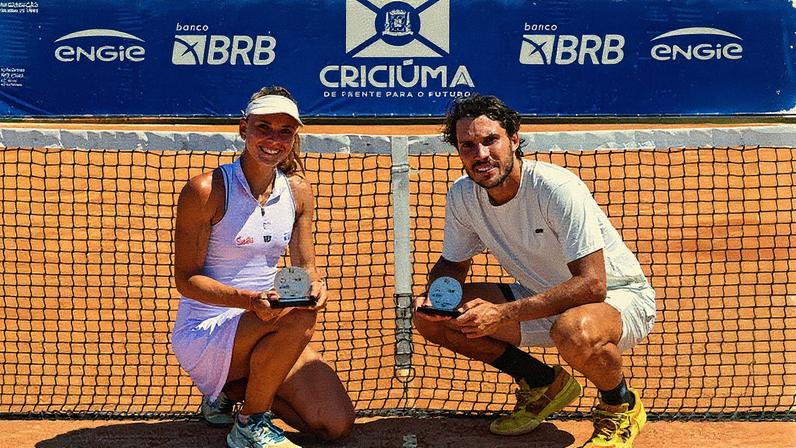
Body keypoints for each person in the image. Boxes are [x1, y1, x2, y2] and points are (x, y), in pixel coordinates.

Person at [414, 94, 656, 448]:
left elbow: (593, 285)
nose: (480, 154)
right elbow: (452, 263)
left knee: (573, 331)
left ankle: (620, 405)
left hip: (618, 298)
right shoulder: (464, 195)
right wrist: (437, 297)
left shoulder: (555, 189)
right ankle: (543, 383)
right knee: (433, 319)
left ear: (513, 139)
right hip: (538, 295)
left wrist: (503, 313)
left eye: (490, 140)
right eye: (468, 145)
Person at [172, 86, 355, 448]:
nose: (273, 140)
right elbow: (187, 280)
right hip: (206, 331)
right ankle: (249, 423)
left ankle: (230, 391)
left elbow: (306, 267)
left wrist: (317, 286)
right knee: (298, 316)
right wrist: (250, 301)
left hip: (268, 321)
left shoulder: (298, 191)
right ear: (244, 129)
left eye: (285, 131)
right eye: (263, 128)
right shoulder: (206, 190)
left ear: (294, 137)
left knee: (335, 425)